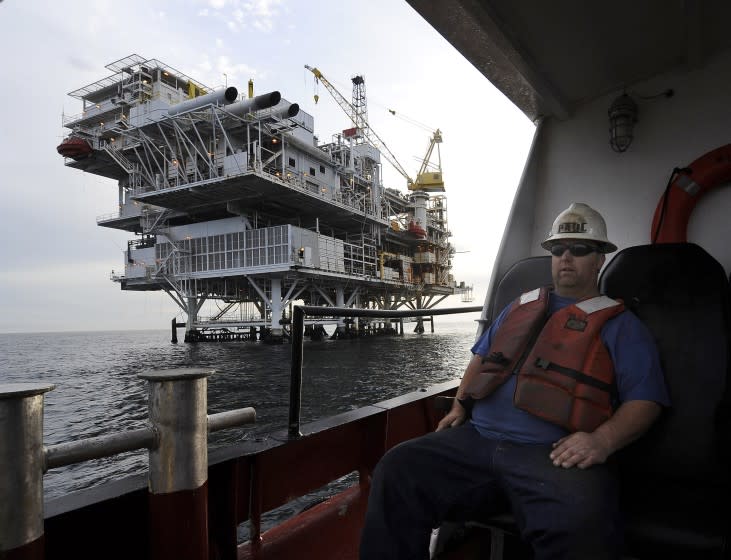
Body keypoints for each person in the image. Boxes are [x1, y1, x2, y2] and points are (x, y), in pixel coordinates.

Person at [359, 203, 670, 560]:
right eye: (557, 249)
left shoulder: (623, 326)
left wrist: (601, 442)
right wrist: (461, 403)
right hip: (477, 441)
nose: (565, 257)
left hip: (553, 455)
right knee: (397, 469)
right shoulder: (519, 306)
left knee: (584, 523)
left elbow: (646, 400)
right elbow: (481, 357)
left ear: (600, 258)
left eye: (580, 249)